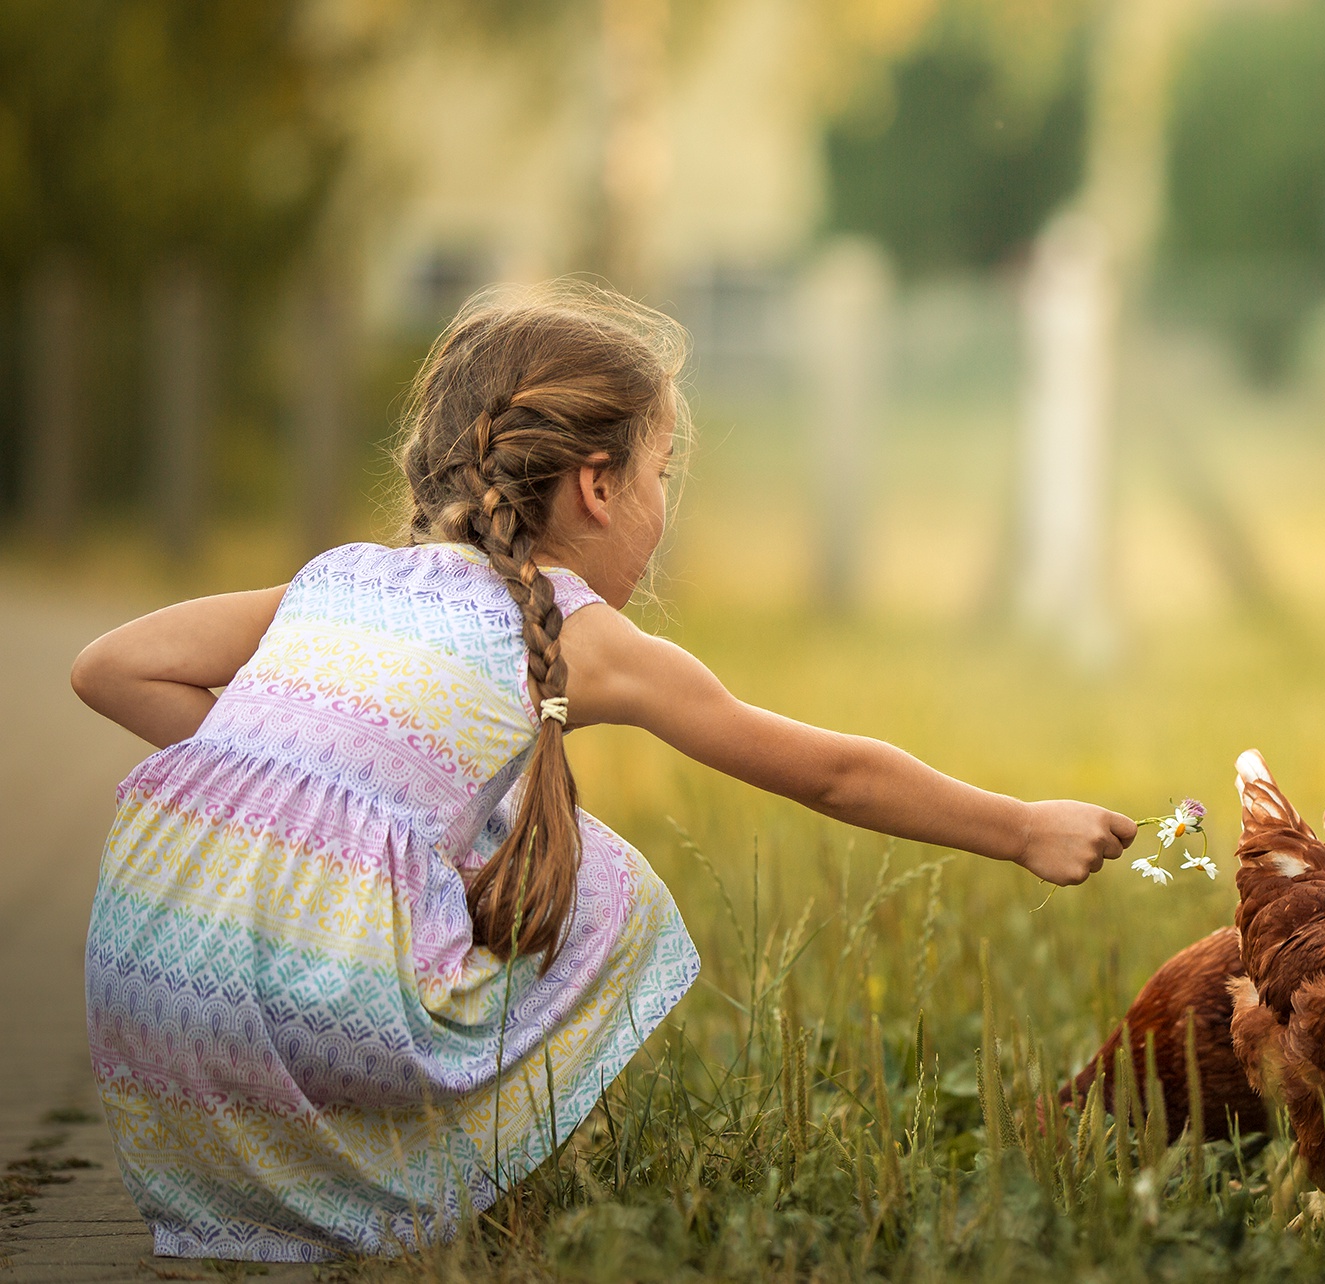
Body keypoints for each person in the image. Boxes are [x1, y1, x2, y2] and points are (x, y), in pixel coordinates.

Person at [69, 282, 1136, 1262]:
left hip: (144, 991)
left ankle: (264, 1207)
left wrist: (290, 807)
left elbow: (110, 668)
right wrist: (1020, 827)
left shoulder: (335, 578)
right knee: (594, 885)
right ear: (594, 485)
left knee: (482, 845)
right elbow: (831, 774)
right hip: (311, 1003)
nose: (661, 503)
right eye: (659, 474)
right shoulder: (585, 636)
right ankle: (422, 1194)